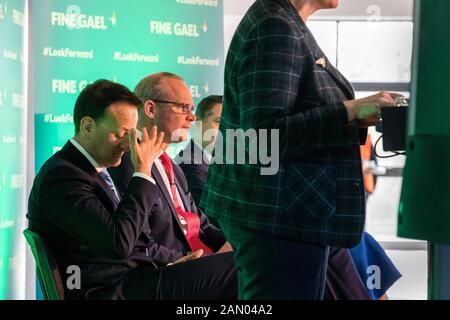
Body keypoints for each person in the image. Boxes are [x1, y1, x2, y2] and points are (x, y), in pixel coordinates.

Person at [200, 0, 401, 299]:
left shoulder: (283, 21)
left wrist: (356, 114)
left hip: (286, 213)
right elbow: (263, 135)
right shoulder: (275, 26)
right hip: (277, 216)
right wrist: (351, 110)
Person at [27, 79, 236, 300]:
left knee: (242, 262)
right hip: (108, 291)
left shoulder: (91, 170)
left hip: (135, 278)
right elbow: (119, 244)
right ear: (88, 127)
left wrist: (172, 263)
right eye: (120, 134)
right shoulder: (63, 176)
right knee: (236, 267)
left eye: (130, 134)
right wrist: (142, 172)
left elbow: (136, 240)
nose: (128, 144)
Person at [109, 73, 234, 266]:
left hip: (201, 265)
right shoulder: (127, 161)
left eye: (191, 109)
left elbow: (201, 224)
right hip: (172, 271)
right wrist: (205, 262)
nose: (192, 117)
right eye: (183, 108)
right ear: (150, 109)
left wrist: (236, 242)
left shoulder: (173, 167)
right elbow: (141, 243)